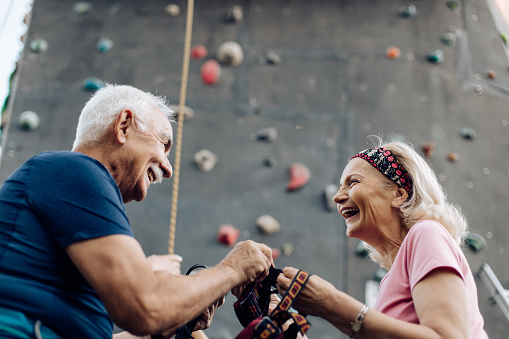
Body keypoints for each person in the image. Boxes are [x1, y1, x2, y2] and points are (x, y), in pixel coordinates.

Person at [0, 84, 273, 338]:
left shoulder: (71, 186)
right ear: (123, 125)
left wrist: (178, 319)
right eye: (164, 145)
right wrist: (233, 269)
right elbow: (145, 309)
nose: (168, 168)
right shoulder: (76, 170)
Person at [276, 138, 488, 338]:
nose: (337, 197)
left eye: (353, 182)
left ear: (399, 194)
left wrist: (331, 304)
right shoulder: (390, 281)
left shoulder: (426, 233)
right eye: (341, 186)